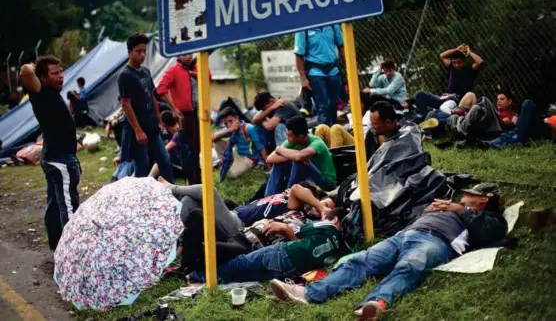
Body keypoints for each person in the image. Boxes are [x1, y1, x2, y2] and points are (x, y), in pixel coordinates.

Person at [270, 183, 508, 320]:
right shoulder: (448, 206)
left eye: (470, 195)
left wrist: (458, 210)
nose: (464, 196)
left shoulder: (489, 218)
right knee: (361, 260)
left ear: (483, 201)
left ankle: (375, 303)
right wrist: (428, 213)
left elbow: (490, 233)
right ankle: (308, 294)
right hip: (404, 236)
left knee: (409, 266)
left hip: (436, 242)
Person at [188, 208, 346, 284]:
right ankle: (205, 280)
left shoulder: (324, 226)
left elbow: (298, 237)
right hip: (291, 271)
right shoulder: (341, 249)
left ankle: (196, 277)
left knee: (238, 264)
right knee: (246, 276)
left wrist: (285, 229)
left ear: (334, 219)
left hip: (282, 253)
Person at [20, 56, 80, 251]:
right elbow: (25, 71)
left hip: (57, 157)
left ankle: (57, 244)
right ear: (42, 79)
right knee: (68, 206)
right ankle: (75, 251)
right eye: (54, 73)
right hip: (59, 160)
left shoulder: (51, 92)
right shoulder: (40, 92)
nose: (61, 76)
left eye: (61, 71)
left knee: (55, 204)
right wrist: (35, 68)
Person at [118, 33, 174, 183]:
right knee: (142, 166)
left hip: (152, 125)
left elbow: (153, 97)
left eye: (144, 51)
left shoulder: (145, 71)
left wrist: (159, 120)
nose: (143, 54)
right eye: (138, 51)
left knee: (164, 160)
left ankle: (171, 193)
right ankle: (141, 200)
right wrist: (138, 130)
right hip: (138, 128)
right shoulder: (125, 75)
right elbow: (126, 104)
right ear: (130, 52)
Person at [156, 54, 201, 184]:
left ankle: (198, 182)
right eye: (184, 54)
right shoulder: (174, 70)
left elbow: (208, 77)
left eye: (189, 54)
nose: (188, 57)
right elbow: (161, 89)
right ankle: (191, 182)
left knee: (196, 149)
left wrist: (192, 73)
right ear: (178, 56)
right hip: (184, 115)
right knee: (187, 151)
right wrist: (174, 108)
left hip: (196, 113)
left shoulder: (194, 69)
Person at [265, 116, 336, 196]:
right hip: (307, 178)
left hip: (326, 183)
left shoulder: (317, 143)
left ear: (300, 137)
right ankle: (269, 198)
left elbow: (299, 157)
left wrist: (279, 150)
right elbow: (269, 159)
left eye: (289, 135)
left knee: (299, 161)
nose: (286, 138)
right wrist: (292, 155)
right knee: (279, 164)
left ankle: (288, 197)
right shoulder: (291, 142)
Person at [294, 25, 344, 126]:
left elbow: (341, 45)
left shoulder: (333, 24)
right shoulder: (303, 29)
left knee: (334, 105)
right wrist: (303, 78)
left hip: (333, 70)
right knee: (323, 107)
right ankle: (325, 137)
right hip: (316, 72)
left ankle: (333, 132)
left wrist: (348, 67)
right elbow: (299, 54)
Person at [415, 44, 484, 116]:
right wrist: (456, 49)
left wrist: (469, 53)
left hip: (456, 101)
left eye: (459, 62)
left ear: (463, 62)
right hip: (443, 98)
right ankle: (423, 117)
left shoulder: (470, 70)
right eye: (454, 63)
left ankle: (450, 122)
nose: (456, 65)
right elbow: (442, 55)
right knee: (420, 94)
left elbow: (480, 62)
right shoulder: (451, 67)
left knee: (444, 108)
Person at [213, 107, 267, 179]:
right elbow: (213, 138)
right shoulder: (230, 128)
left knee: (230, 174)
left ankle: (248, 167)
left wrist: (268, 165)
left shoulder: (248, 128)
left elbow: (260, 147)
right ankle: (225, 164)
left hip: (248, 158)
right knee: (217, 142)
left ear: (237, 118)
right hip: (237, 153)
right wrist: (229, 130)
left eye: (230, 121)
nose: (228, 125)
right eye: (225, 123)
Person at [148, 111, 184, 178]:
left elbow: (164, 150)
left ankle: (148, 179)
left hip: (179, 165)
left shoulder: (178, 134)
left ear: (164, 124)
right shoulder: (172, 132)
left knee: (160, 161)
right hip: (176, 162)